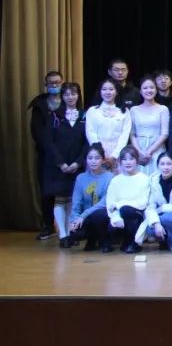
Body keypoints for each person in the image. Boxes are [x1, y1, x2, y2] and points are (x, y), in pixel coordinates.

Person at [39, 82, 86, 242]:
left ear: (78, 95)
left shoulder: (85, 115)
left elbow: (88, 142)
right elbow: (48, 142)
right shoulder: (54, 116)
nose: (70, 97)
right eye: (66, 94)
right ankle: (63, 235)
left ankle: (71, 232)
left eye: (73, 94)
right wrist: (61, 163)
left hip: (77, 165)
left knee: (73, 199)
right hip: (58, 165)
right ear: (62, 96)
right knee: (60, 199)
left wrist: (78, 163)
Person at [28, 70, 65, 239]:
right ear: (46, 84)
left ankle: (72, 228)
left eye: (57, 82)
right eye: (51, 83)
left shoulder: (69, 99)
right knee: (46, 191)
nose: (54, 85)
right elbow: (36, 131)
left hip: (66, 153)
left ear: (62, 82)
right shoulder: (39, 104)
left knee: (68, 191)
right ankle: (48, 226)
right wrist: (51, 151)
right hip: (46, 155)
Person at [62, 144, 112, 250]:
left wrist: (83, 215)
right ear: (86, 160)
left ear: (103, 160)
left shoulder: (109, 177)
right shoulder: (81, 178)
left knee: (99, 215)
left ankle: (104, 240)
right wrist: (74, 220)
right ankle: (91, 239)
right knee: (76, 233)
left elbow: (104, 203)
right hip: (86, 218)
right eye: (90, 158)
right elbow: (76, 203)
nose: (93, 161)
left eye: (97, 158)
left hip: (102, 215)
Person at [104, 146, 154, 253]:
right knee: (105, 218)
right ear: (120, 162)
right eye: (124, 159)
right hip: (119, 215)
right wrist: (116, 217)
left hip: (137, 215)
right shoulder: (115, 180)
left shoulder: (144, 179)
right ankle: (118, 241)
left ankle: (134, 243)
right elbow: (110, 203)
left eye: (131, 159)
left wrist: (119, 204)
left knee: (126, 210)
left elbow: (142, 203)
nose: (128, 162)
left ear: (137, 160)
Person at [85, 80, 133, 171]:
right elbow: (90, 133)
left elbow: (125, 135)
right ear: (100, 91)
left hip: (118, 154)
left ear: (117, 92)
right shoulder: (92, 111)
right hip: (96, 155)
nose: (108, 92)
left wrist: (114, 156)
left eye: (111, 89)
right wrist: (100, 153)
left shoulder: (124, 111)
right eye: (104, 89)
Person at [129, 76, 170, 175]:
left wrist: (149, 152)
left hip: (157, 148)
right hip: (138, 149)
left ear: (156, 90)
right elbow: (132, 134)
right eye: (145, 88)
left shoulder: (163, 109)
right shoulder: (134, 110)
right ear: (140, 91)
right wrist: (139, 152)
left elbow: (164, 134)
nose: (149, 90)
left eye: (152, 87)